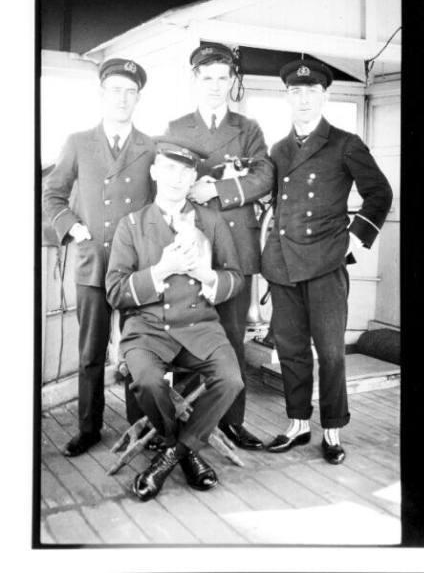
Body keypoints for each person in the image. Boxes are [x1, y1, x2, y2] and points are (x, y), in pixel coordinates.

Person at [261, 58, 393, 464]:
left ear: (325, 95)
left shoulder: (345, 142)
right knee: (291, 350)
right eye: (295, 92)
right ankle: (298, 423)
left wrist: (353, 243)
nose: (303, 99)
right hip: (282, 266)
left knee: (332, 352)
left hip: (325, 265)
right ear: (287, 97)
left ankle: (332, 431)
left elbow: (380, 194)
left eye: (311, 92)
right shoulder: (278, 149)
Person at [106, 140, 245, 501]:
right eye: (168, 168)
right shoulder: (131, 225)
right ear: (154, 172)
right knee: (149, 382)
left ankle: (169, 456)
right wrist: (161, 270)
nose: (176, 178)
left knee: (230, 379)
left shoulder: (211, 221)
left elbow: (236, 276)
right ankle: (183, 448)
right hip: (148, 330)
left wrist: (208, 276)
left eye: (184, 172)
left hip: (200, 326)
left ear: (193, 177)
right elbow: (115, 291)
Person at [42, 58, 156, 457]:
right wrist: (72, 227)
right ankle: (88, 428)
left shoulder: (151, 147)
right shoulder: (78, 142)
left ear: (138, 97)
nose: (122, 98)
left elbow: (161, 206)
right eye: (115, 91)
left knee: (138, 351)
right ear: (102, 95)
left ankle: (139, 428)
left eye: (130, 92)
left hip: (135, 271)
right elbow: (52, 194)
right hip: (93, 265)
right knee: (90, 353)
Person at [165, 42, 274, 451]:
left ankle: (232, 421)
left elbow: (264, 176)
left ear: (232, 82)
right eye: (207, 78)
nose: (215, 86)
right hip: (191, 243)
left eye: (222, 78)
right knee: (188, 333)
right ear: (195, 80)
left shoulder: (248, 129)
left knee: (231, 337)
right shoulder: (177, 127)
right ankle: (188, 424)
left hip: (236, 248)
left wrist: (219, 186)